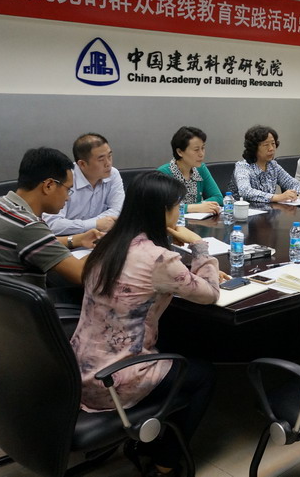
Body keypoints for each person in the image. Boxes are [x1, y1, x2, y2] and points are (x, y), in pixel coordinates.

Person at [70, 172, 227, 477]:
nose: (179, 211)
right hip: (115, 380)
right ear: (163, 212)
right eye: (177, 206)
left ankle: (152, 438)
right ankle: (165, 464)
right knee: (203, 374)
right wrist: (198, 246)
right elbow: (210, 294)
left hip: (77, 371)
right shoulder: (159, 259)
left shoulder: (108, 243)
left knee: (173, 345)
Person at [0, 147, 103, 289]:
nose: (68, 198)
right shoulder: (27, 225)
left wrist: (76, 240)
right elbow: (82, 274)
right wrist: (107, 248)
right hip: (14, 302)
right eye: (68, 189)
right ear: (48, 185)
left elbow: (30, 243)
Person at [44, 133, 124, 235]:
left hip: (100, 238)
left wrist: (96, 225)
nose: (108, 163)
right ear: (82, 164)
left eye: (109, 156)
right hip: (67, 240)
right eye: (101, 159)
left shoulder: (113, 174)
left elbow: (118, 210)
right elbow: (52, 224)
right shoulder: (63, 179)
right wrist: (95, 224)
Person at [229, 125, 300, 204]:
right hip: (244, 210)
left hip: (268, 210)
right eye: (266, 145)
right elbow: (245, 191)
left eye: (273, 143)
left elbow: (291, 183)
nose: (271, 148)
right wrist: (277, 197)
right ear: (254, 148)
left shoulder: (273, 166)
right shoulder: (243, 167)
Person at [157, 126, 223, 214]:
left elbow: (218, 197)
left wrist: (198, 207)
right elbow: (161, 208)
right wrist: (193, 208)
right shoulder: (163, 173)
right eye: (196, 150)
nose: (201, 154)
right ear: (180, 152)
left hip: (197, 221)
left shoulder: (201, 169)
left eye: (203, 148)